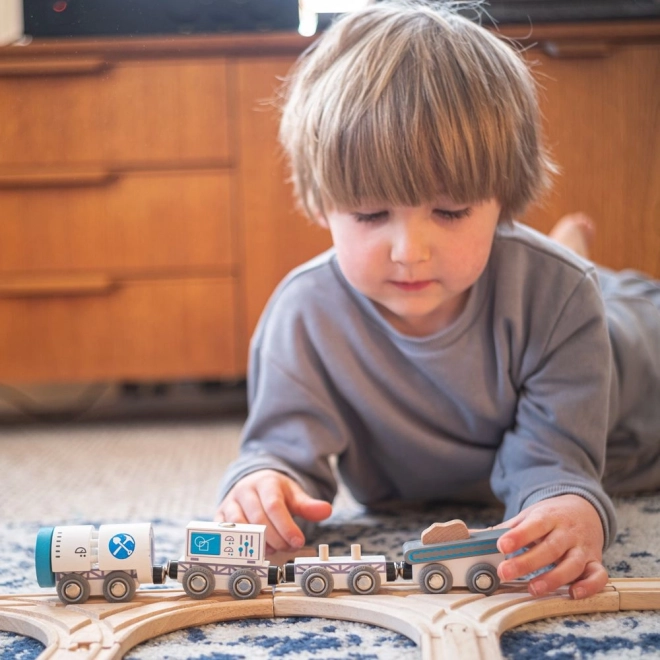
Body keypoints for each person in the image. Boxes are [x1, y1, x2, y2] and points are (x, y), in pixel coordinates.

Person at [215, 1, 660, 600]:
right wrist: (265, 485)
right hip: (537, 291)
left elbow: (558, 461)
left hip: (627, 374)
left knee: (607, 302)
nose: (410, 251)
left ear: (504, 197)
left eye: (449, 211)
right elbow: (280, 450)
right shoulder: (302, 314)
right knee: (567, 282)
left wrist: (568, 504)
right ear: (321, 202)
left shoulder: (560, 299)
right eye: (372, 213)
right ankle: (565, 248)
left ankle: (576, 258)